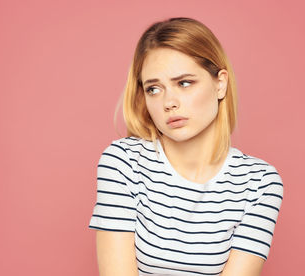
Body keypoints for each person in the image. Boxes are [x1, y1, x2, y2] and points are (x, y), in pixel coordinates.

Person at [88, 17, 284, 276]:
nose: (169, 102)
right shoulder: (124, 163)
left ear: (220, 83)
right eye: (154, 89)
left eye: (184, 83)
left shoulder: (259, 183)